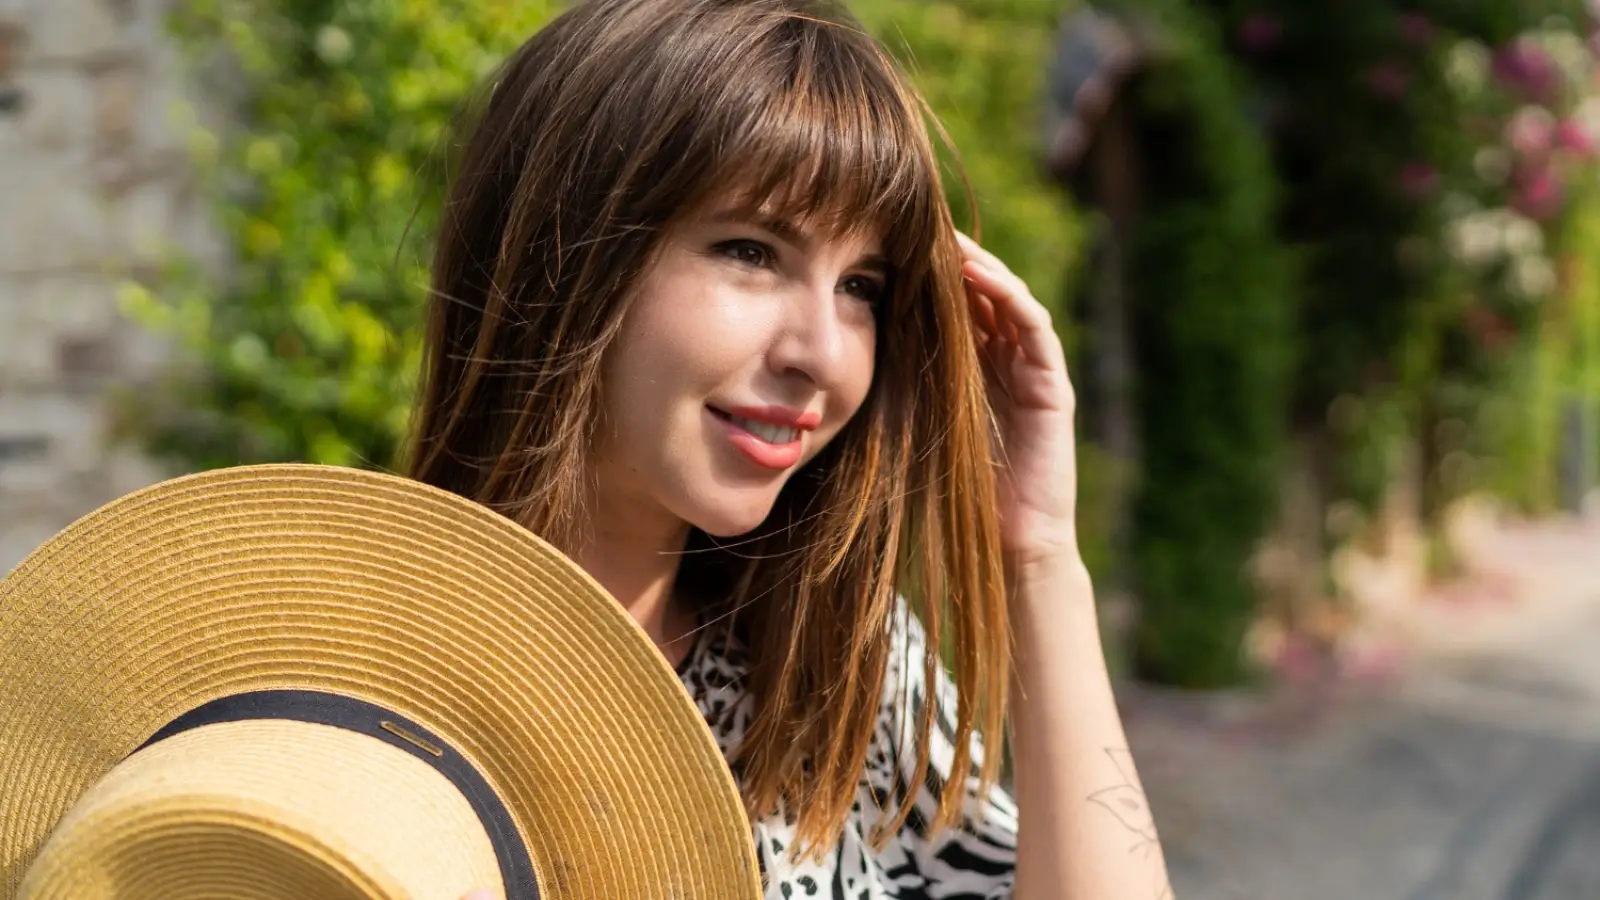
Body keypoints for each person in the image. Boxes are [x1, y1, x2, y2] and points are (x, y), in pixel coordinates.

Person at [407, 0, 1173, 897]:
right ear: (562, 258)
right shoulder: (349, 683)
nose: (823, 354)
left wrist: (1040, 555)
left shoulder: (834, 666)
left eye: (861, 285)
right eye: (751, 251)